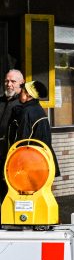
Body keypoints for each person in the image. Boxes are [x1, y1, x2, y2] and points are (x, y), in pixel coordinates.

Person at [8, 79, 57, 177]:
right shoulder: (38, 109)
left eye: (22, 92)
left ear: (28, 95)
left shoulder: (27, 112)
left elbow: (23, 139)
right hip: (42, 160)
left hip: (30, 163)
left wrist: (16, 162)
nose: (19, 94)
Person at [0, 69, 25, 197]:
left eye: (13, 81)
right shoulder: (1, 101)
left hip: (14, 155)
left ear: (22, 83)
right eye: (6, 81)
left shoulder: (23, 104)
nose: (9, 84)